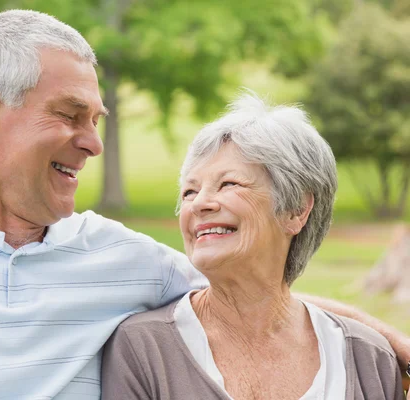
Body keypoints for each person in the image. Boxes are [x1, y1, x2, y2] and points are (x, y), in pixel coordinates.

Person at [0, 9, 407, 400]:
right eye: (70, 115)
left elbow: (256, 293)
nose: (94, 143)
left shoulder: (118, 257)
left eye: (96, 121)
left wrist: (397, 348)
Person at [101, 94, 406, 399]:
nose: (200, 204)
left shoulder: (369, 360)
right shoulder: (143, 347)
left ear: (296, 210)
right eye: (189, 192)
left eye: (229, 184)